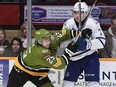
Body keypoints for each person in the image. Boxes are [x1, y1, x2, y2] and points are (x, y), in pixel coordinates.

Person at [7, 28, 80, 87]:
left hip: (38, 73)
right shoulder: (40, 53)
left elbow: (63, 33)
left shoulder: (51, 39)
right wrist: (69, 52)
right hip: (20, 72)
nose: (48, 42)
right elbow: (59, 64)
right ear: (39, 41)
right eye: (45, 41)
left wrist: (78, 33)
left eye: (48, 39)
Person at [61, 2, 106, 87]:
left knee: (93, 84)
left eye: (80, 13)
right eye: (75, 12)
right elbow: (62, 43)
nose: (77, 15)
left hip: (90, 57)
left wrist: (87, 44)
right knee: (66, 84)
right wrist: (71, 44)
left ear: (86, 13)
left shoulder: (93, 24)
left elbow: (102, 41)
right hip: (74, 59)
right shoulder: (68, 24)